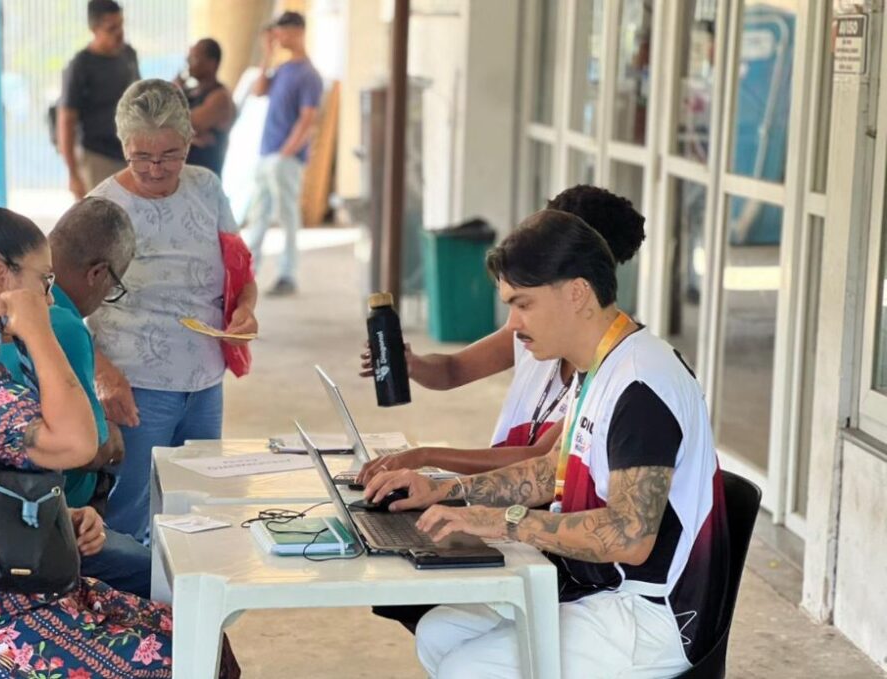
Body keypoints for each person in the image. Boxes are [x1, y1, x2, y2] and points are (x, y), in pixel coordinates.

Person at [0, 175, 240, 678]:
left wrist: (56, 515)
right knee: (186, 656)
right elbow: (79, 442)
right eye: (43, 282)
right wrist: (37, 328)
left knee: (196, 636)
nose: (51, 298)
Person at [365, 208, 730, 678]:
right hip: (599, 591)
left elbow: (631, 536)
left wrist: (502, 522)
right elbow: (548, 471)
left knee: (466, 667)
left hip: (652, 615)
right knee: (441, 632)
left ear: (577, 292)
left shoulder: (641, 384)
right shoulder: (598, 365)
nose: (514, 323)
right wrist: (444, 490)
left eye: (523, 303)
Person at [357, 185, 646, 482]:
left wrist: (425, 457)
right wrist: (411, 364)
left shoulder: (614, 366)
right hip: (503, 498)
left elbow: (539, 462)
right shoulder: (529, 329)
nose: (513, 323)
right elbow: (453, 369)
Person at [89, 79, 258, 544]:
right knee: (130, 514)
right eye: (141, 155)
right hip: (136, 385)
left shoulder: (206, 187)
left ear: (190, 142)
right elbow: (57, 301)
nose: (155, 168)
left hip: (205, 381)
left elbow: (239, 271)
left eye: (169, 154)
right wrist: (103, 373)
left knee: (200, 506)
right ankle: (128, 613)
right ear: (123, 145)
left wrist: (245, 310)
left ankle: (186, 613)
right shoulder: (103, 207)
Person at [0, 196, 151, 598]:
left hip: (24, 516)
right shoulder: (61, 324)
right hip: (45, 526)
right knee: (167, 572)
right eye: (113, 287)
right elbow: (89, 448)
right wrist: (112, 440)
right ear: (98, 273)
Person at [246, 10, 323, 296]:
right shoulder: (283, 69)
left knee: (287, 216)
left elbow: (308, 119)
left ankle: (288, 274)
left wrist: (285, 154)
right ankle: (247, 274)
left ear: (298, 31)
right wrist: (267, 53)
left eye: (283, 31)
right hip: (267, 153)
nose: (279, 37)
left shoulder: (309, 74)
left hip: (284, 158)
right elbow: (258, 90)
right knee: (259, 216)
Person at [58, 0, 139, 200]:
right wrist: (73, 174)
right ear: (94, 29)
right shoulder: (81, 65)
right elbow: (66, 120)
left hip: (130, 155)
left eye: (121, 25)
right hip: (96, 157)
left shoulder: (129, 55)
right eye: (111, 28)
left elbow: (139, 98)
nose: (119, 33)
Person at [180, 38, 233, 177]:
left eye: (194, 58)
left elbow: (188, 123)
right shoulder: (189, 91)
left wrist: (182, 133)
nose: (189, 62)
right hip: (185, 180)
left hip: (206, 182)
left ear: (212, 63)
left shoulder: (220, 97)